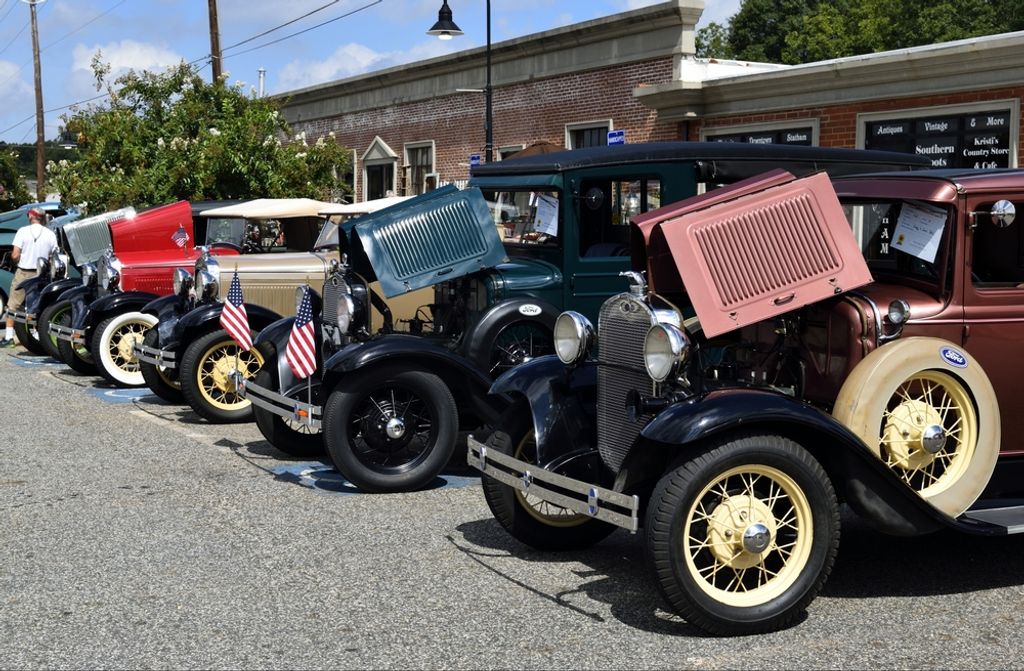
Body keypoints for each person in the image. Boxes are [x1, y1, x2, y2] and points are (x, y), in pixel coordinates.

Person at [2, 208, 58, 347]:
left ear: (31, 216)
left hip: (24, 272)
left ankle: (8, 338)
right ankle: (38, 336)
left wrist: (17, 260)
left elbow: (15, 255)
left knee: (13, 304)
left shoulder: (22, 231)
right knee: (37, 306)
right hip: (41, 274)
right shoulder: (50, 234)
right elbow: (54, 256)